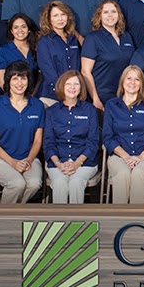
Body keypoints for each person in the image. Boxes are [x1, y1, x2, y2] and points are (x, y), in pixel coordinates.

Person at [0, 61, 45, 204]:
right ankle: (5, 216)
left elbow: (37, 141)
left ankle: (14, 212)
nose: (19, 83)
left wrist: (29, 160)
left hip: (28, 158)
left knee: (34, 183)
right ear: (8, 81)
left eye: (23, 78)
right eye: (15, 78)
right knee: (17, 184)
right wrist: (12, 162)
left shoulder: (37, 106)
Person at [103, 65, 144, 204]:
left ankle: (139, 216)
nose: (132, 82)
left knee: (138, 174)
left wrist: (142, 156)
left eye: (137, 79)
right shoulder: (111, 105)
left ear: (142, 83)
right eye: (129, 78)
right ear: (122, 81)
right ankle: (121, 215)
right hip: (119, 156)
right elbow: (108, 137)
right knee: (123, 173)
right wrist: (125, 156)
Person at [43, 71, 100, 204]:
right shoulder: (52, 111)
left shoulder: (90, 110)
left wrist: (76, 163)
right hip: (57, 161)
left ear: (81, 87)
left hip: (85, 162)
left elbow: (93, 142)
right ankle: (61, 217)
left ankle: (76, 217)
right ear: (62, 86)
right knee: (59, 182)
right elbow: (48, 142)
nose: (72, 87)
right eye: (68, 84)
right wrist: (58, 164)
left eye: (76, 84)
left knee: (76, 182)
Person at [80, 0, 135, 112]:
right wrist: (95, 99)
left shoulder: (126, 37)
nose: (110, 15)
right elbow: (85, 71)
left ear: (119, 15)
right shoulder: (93, 38)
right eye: (105, 12)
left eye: (113, 11)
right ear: (99, 16)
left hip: (125, 95)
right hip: (103, 97)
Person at [36, 1, 80, 106]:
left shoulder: (72, 39)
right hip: (52, 96)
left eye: (63, 14)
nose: (60, 19)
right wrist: (63, 90)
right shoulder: (44, 41)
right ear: (48, 19)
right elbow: (47, 69)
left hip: (73, 94)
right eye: (55, 15)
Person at [0, 13, 39, 96]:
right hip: (13, 97)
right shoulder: (3, 51)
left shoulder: (36, 49)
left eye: (23, 27)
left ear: (29, 29)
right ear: (11, 31)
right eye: (16, 27)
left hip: (34, 95)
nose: (20, 30)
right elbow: (1, 82)